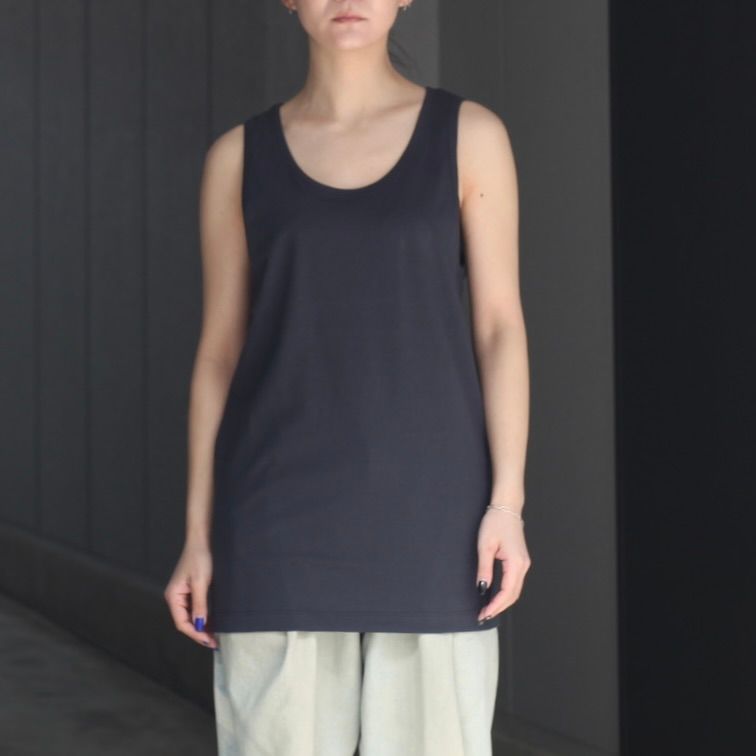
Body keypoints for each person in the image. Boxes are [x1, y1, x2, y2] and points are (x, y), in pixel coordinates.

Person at [164, 1, 531, 753]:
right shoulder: (238, 158)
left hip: (435, 515)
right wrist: (197, 535)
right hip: (274, 517)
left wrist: (508, 504)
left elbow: (500, 328)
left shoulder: (471, 137)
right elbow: (218, 354)